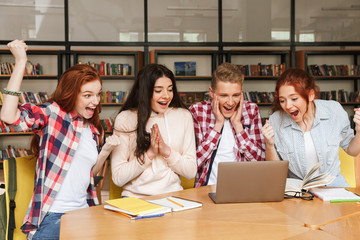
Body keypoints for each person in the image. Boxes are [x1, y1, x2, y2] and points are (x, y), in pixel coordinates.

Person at [0, 40, 121, 240]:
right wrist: (21, 62)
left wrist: (106, 151)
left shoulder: (92, 129)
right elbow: (8, 116)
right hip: (53, 216)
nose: (96, 101)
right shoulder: (54, 114)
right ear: (71, 94)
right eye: (88, 95)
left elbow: (88, 174)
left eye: (98, 94)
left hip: (85, 212)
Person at [261, 68, 360, 187]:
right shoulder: (276, 120)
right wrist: (269, 144)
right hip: (298, 189)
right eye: (282, 100)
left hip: (333, 185)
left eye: (294, 99)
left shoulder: (334, 111)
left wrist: (359, 132)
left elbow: (352, 151)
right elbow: (275, 170)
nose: (287, 106)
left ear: (311, 95)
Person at [111, 63, 197, 197]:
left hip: (173, 197)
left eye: (170, 89)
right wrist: (150, 154)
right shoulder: (126, 119)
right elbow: (118, 177)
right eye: (158, 91)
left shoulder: (183, 116)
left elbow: (191, 172)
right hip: (134, 199)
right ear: (145, 91)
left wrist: (166, 151)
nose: (166, 96)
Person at [189, 62, 265, 187]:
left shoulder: (251, 110)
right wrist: (218, 125)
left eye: (236, 95)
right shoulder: (197, 111)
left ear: (241, 93)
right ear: (212, 93)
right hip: (206, 189)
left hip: (244, 188)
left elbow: (260, 161)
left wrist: (238, 126)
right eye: (224, 95)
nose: (230, 102)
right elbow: (192, 164)